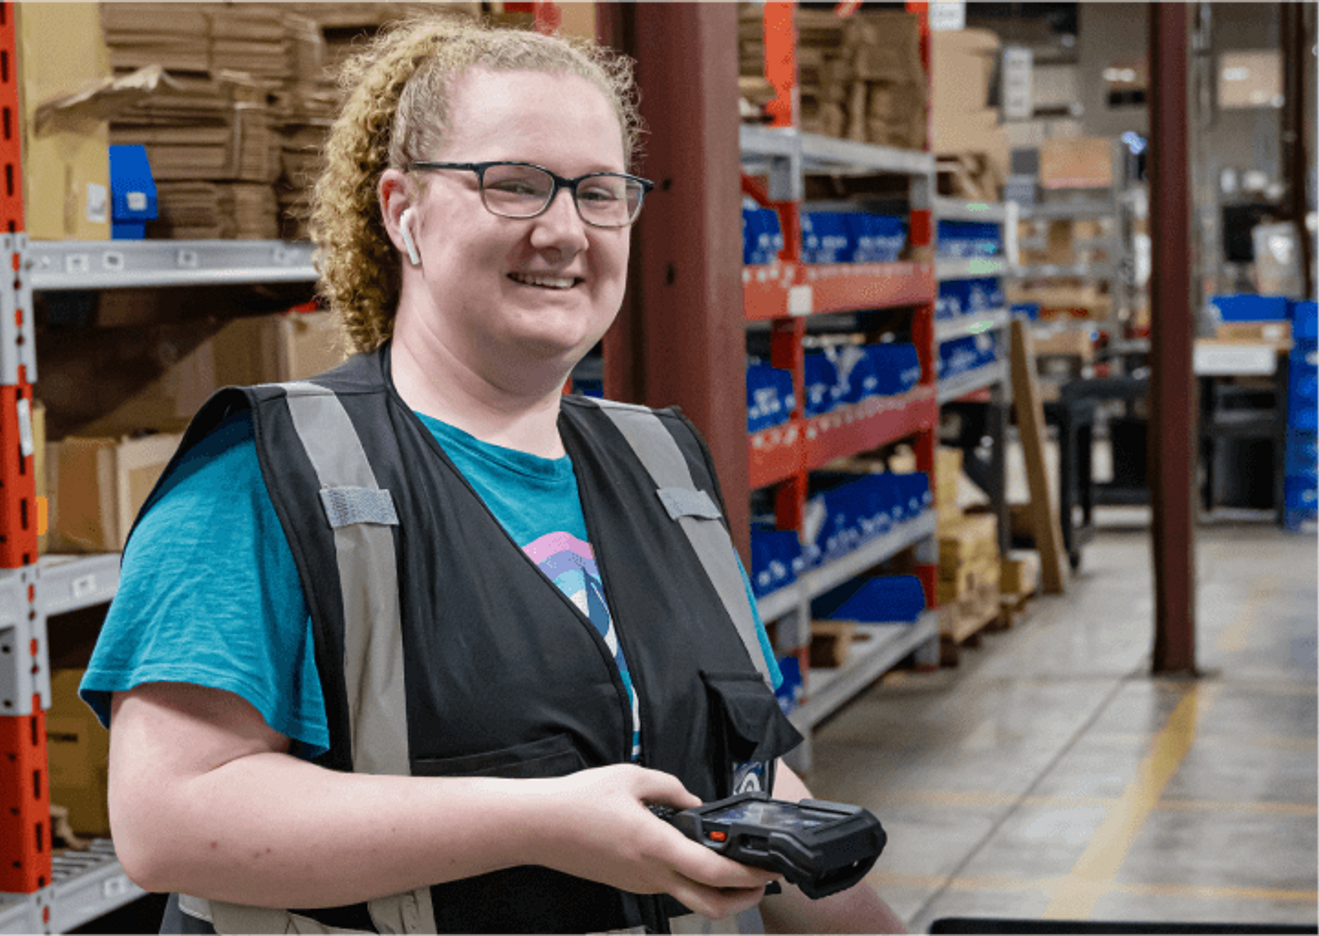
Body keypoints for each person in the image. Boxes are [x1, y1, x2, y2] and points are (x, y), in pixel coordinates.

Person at [83, 15, 907, 936]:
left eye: (600, 193)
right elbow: (170, 819)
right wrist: (540, 823)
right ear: (403, 212)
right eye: (513, 186)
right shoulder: (270, 473)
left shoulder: (661, 465)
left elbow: (736, 774)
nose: (563, 232)